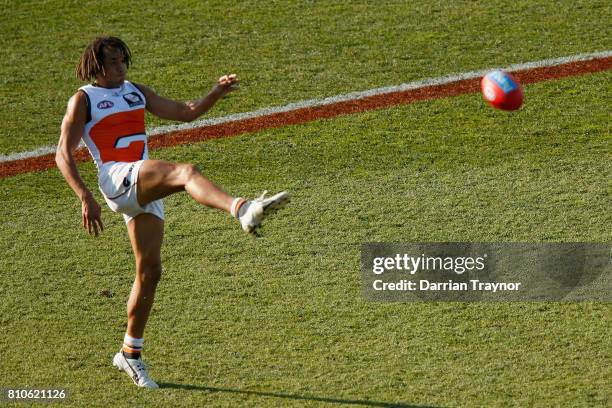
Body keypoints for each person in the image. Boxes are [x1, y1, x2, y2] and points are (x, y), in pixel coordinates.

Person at [55, 36, 289, 388]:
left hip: (143, 182)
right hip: (118, 176)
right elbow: (63, 153)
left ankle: (129, 355)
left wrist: (214, 93)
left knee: (150, 271)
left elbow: (184, 111)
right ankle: (242, 209)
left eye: (123, 60)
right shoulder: (84, 99)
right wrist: (84, 196)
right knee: (186, 173)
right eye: (115, 61)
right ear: (97, 66)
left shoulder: (135, 90)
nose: (122, 67)